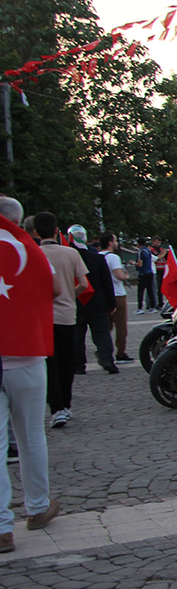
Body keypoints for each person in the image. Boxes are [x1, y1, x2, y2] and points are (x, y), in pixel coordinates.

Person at [0, 196, 60, 552]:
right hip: (24, 354)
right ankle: (37, 507)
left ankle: (2, 528)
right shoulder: (27, 247)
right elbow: (53, 289)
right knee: (31, 435)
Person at [33, 212, 87, 430]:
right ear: (57, 231)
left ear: (36, 232)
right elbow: (83, 283)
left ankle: (55, 408)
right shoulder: (71, 253)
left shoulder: (33, 254)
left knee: (49, 363)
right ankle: (66, 404)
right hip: (67, 314)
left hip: (42, 317)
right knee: (67, 362)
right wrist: (68, 295)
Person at [73, 235, 117, 375]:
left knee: (77, 336)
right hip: (98, 303)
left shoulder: (70, 259)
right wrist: (111, 303)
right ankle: (107, 360)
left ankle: (79, 365)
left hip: (77, 302)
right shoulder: (97, 258)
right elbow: (107, 283)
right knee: (102, 333)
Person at [98, 232, 132, 363]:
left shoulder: (97, 256)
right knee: (121, 326)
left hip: (103, 295)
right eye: (115, 240)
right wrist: (126, 276)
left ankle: (103, 352)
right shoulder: (113, 257)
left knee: (105, 326)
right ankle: (121, 353)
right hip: (117, 294)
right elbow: (119, 275)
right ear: (110, 243)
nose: (117, 243)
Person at [135, 238, 156, 313]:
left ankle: (140, 308)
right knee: (150, 290)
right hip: (150, 272)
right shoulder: (148, 251)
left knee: (140, 291)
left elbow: (140, 264)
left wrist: (133, 263)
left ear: (138, 244)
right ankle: (153, 307)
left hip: (143, 273)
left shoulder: (141, 252)